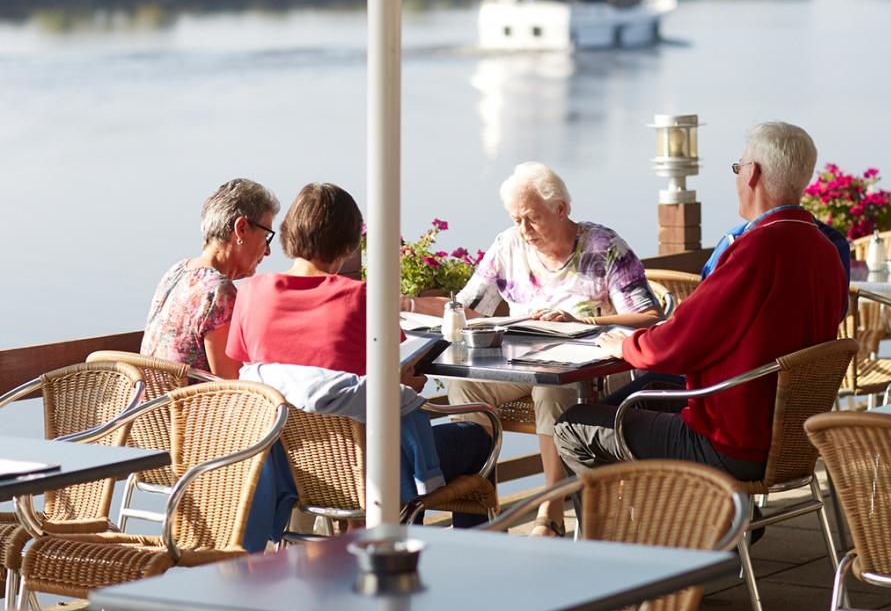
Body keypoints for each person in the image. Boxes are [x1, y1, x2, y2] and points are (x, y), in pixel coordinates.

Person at [554, 122, 848, 485]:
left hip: (731, 445)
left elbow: (677, 344)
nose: (738, 177)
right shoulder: (824, 250)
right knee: (640, 399)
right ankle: (697, 527)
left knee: (573, 425)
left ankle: (633, 536)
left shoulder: (757, 250)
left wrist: (627, 344)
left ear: (753, 174)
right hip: (790, 441)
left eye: (738, 168)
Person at [227, 183, 491, 547]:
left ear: (288, 232)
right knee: (477, 436)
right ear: (349, 244)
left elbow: (263, 375)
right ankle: (472, 558)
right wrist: (406, 387)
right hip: (370, 468)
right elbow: (388, 379)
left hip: (295, 469)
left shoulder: (251, 293)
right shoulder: (362, 298)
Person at [406, 162, 661, 537]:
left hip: (591, 370)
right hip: (521, 363)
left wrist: (579, 322)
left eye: (531, 218)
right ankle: (481, 517)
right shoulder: (508, 244)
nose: (523, 230)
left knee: (551, 385)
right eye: (516, 219)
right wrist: (409, 305)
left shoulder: (604, 247)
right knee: (466, 387)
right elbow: (469, 306)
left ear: (561, 209)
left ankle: (551, 510)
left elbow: (648, 316)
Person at [141, 178, 279, 378]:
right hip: (189, 408)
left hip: (153, 405)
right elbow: (232, 386)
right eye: (266, 236)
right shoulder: (218, 292)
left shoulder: (177, 271)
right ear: (241, 228)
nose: (267, 251)